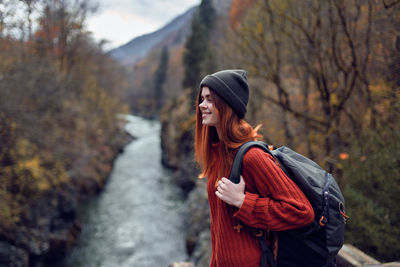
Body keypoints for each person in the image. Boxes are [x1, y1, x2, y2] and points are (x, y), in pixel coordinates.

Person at [194, 69, 315, 267]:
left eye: (209, 99)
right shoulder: (218, 154)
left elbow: (301, 211)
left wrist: (242, 201)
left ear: (227, 104)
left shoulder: (252, 156)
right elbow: (222, 230)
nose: (201, 105)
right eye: (201, 99)